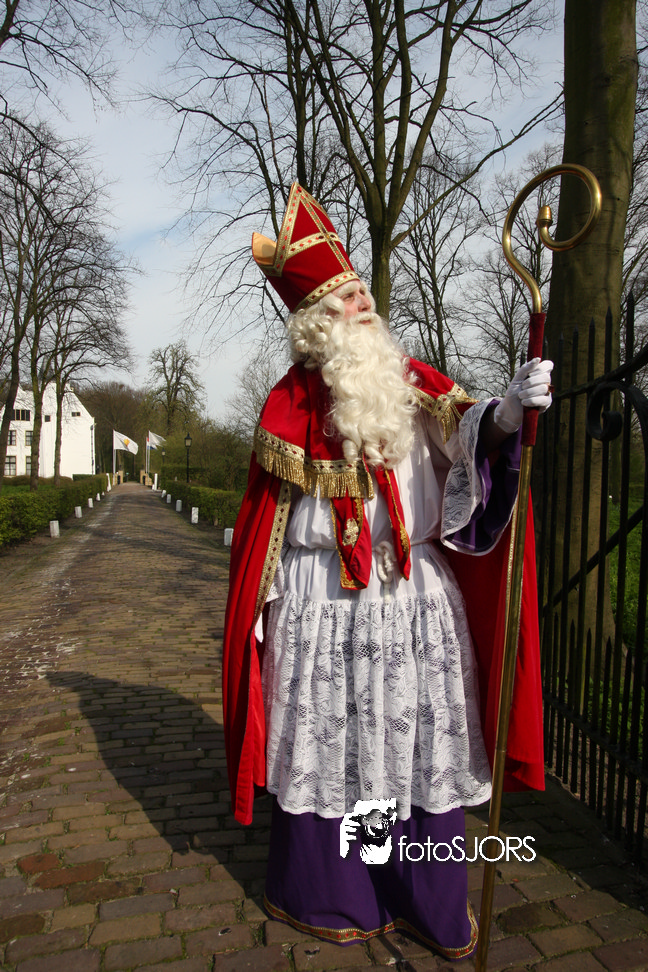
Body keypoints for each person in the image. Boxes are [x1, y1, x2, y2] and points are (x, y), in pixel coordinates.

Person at [223, 183, 551, 959]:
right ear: (317, 322)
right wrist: (264, 608)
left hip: (411, 599)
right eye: (347, 297)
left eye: (364, 293)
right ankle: (335, 893)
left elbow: (469, 443)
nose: (365, 302)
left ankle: (419, 895)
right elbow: (267, 525)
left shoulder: (411, 383)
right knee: (334, 748)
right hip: (321, 604)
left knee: (411, 749)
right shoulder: (286, 408)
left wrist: (507, 415)